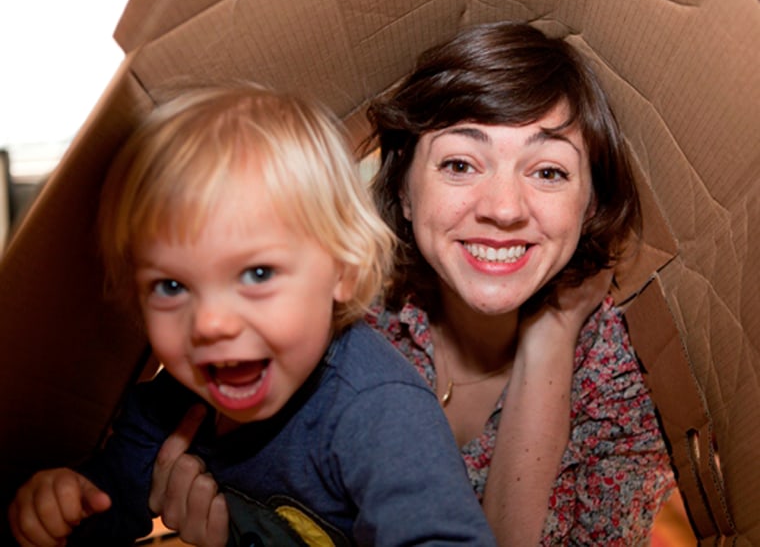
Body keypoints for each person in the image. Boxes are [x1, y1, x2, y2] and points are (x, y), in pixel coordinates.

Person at [145, 22, 676, 546]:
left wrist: (549, 338)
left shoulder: (620, 386)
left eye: (549, 172)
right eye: (461, 163)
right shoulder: (345, 309)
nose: (504, 208)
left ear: (590, 205)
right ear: (403, 191)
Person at [7, 84, 497, 546]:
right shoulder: (168, 403)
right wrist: (62, 503)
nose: (210, 324)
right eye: (172, 286)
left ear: (343, 271)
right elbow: (105, 504)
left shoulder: (377, 410)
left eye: (257, 274)